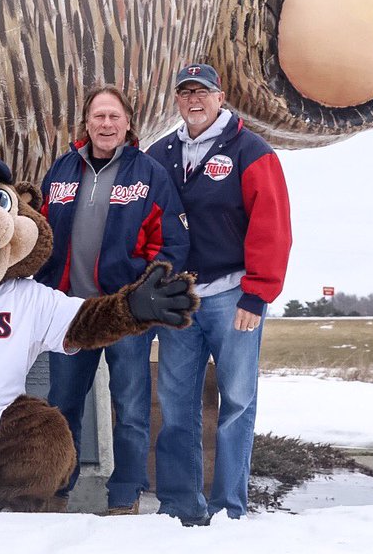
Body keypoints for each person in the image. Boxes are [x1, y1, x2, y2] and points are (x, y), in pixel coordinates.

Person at [148, 63, 292, 524]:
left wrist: (258, 294)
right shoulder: (161, 153)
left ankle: (229, 508)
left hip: (234, 296)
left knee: (236, 402)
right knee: (175, 404)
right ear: (176, 100)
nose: (194, 100)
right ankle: (180, 506)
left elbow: (273, 227)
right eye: (185, 92)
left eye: (203, 92)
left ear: (221, 96)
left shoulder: (251, 151)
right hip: (180, 299)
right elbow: (148, 221)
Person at [35, 84, 188, 514]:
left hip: (124, 314)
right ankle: (57, 492)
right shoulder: (62, 170)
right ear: (86, 122)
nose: (106, 124)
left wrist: (144, 294)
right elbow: (42, 238)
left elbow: (172, 243)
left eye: (114, 117)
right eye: (99, 116)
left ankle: (125, 496)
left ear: (127, 124)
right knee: (62, 405)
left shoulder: (150, 174)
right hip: (72, 314)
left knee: (132, 408)